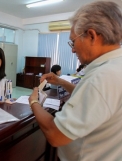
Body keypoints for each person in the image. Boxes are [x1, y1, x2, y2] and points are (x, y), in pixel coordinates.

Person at [28, 1, 122, 160]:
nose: (72, 49)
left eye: (73, 41)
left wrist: (34, 102)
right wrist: (62, 82)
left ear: (91, 35)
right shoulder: (115, 66)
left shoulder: (101, 77)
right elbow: (94, 100)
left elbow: (55, 134)